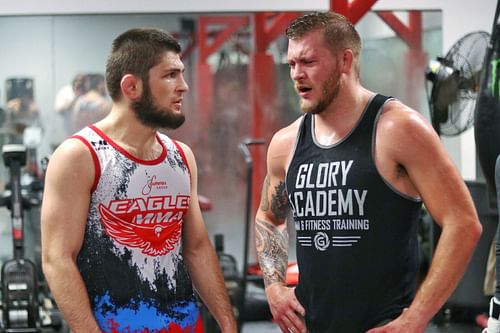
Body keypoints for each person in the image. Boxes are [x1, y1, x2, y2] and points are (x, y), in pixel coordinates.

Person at [254, 11, 482, 333]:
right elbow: (268, 217)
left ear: (345, 60)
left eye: (308, 62)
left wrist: (416, 317)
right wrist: (274, 288)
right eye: (291, 64)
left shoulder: (399, 129)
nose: (296, 74)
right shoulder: (286, 143)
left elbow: (463, 222)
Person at [41, 27, 237, 333]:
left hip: (185, 325)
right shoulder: (80, 156)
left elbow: (197, 247)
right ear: (131, 86)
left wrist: (227, 323)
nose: (183, 86)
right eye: (171, 75)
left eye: (182, 74)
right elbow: (57, 259)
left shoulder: (181, 156)